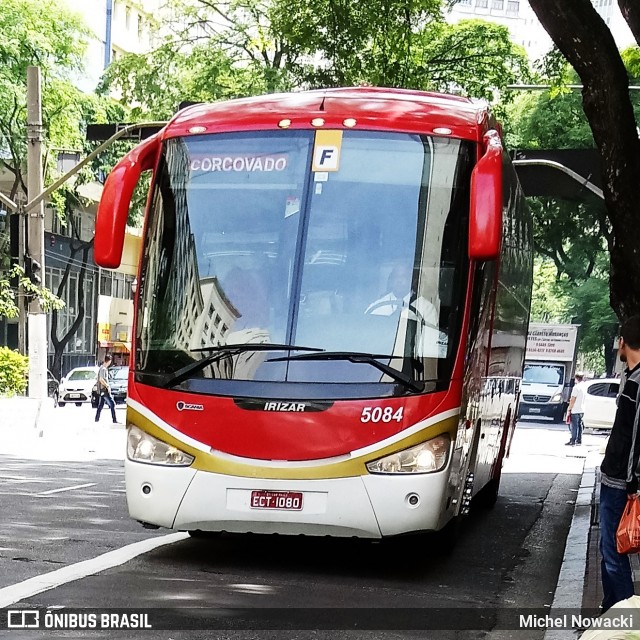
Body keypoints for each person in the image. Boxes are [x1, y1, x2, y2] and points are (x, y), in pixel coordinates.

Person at [599, 315, 640, 611]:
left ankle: (626, 618)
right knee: (608, 549)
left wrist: (632, 482)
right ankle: (611, 610)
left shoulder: (637, 383)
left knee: (615, 552)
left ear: (622, 342)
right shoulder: (631, 376)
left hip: (620, 481)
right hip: (615, 476)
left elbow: (637, 436)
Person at [365, 264, 438, 327]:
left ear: (412, 280)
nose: (399, 281)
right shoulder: (377, 306)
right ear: (391, 280)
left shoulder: (426, 308)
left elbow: (429, 338)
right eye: (396, 277)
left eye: (403, 276)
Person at [95, 354, 118, 424]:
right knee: (112, 404)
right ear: (109, 361)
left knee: (101, 405)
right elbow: (101, 379)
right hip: (104, 389)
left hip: (102, 390)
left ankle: (97, 419)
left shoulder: (102, 368)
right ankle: (114, 420)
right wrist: (107, 386)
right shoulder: (103, 369)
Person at [566, 373, 587, 446]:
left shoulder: (576, 387)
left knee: (574, 426)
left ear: (576, 378)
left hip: (575, 409)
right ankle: (579, 440)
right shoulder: (584, 386)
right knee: (580, 425)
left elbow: (573, 399)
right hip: (582, 409)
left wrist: (569, 408)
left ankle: (573, 440)